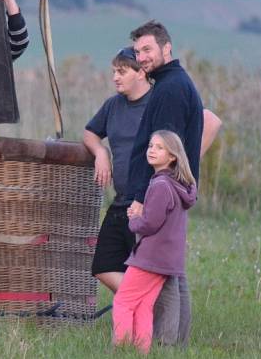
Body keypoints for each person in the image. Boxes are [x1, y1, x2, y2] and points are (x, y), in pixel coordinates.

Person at [84, 47, 221, 294]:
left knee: (153, 269)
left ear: (140, 73)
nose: (115, 77)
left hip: (152, 199)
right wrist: (100, 152)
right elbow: (90, 132)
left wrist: (181, 166)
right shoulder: (113, 106)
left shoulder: (161, 98)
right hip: (123, 200)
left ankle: (146, 313)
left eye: (121, 71)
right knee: (103, 265)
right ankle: (140, 301)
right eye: (114, 71)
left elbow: (210, 120)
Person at [126, 20, 205, 347]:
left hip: (161, 193)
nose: (141, 57)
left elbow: (165, 146)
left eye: (147, 50)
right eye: (137, 52)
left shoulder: (172, 89)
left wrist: (144, 196)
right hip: (170, 191)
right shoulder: (173, 83)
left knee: (161, 272)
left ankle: (165, 343)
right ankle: (177, 342)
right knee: (171, 270)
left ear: (166, 48)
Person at [113, 130, 197, 354]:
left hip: (149, 259)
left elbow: (150, 223)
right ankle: (140, 351)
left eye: (160, 147)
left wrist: (134, 220)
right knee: (143, 306)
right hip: (166, 261)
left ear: (172, 157)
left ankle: (121, 350)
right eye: (151, 145)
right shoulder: (178, 186)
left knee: (123, 301)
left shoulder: (160, 186)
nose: (152, 150)